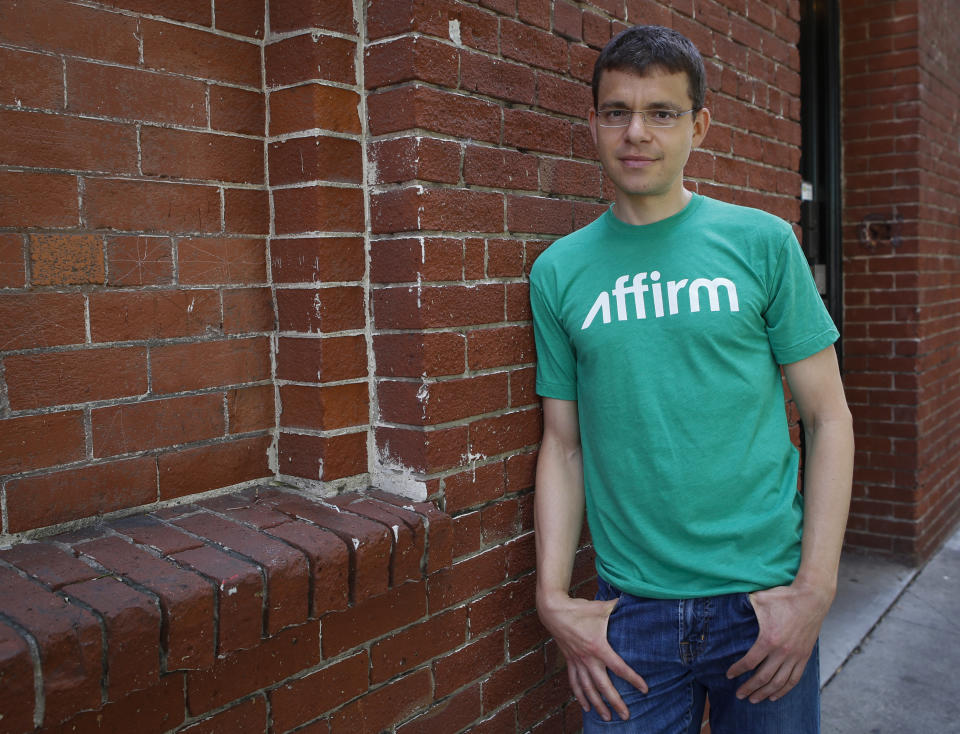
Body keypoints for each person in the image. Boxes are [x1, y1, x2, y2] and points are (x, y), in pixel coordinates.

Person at [529, 25, 854, 734]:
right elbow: (563, 444)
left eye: (662, 113)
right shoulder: (559, 271)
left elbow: (828, 418)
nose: (636, 133)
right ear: (592, 124)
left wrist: (814, 591)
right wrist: (552, 597)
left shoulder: (762, 243)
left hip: (763, 603)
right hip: (631, 616)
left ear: (698, 126)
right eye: (617, 111)